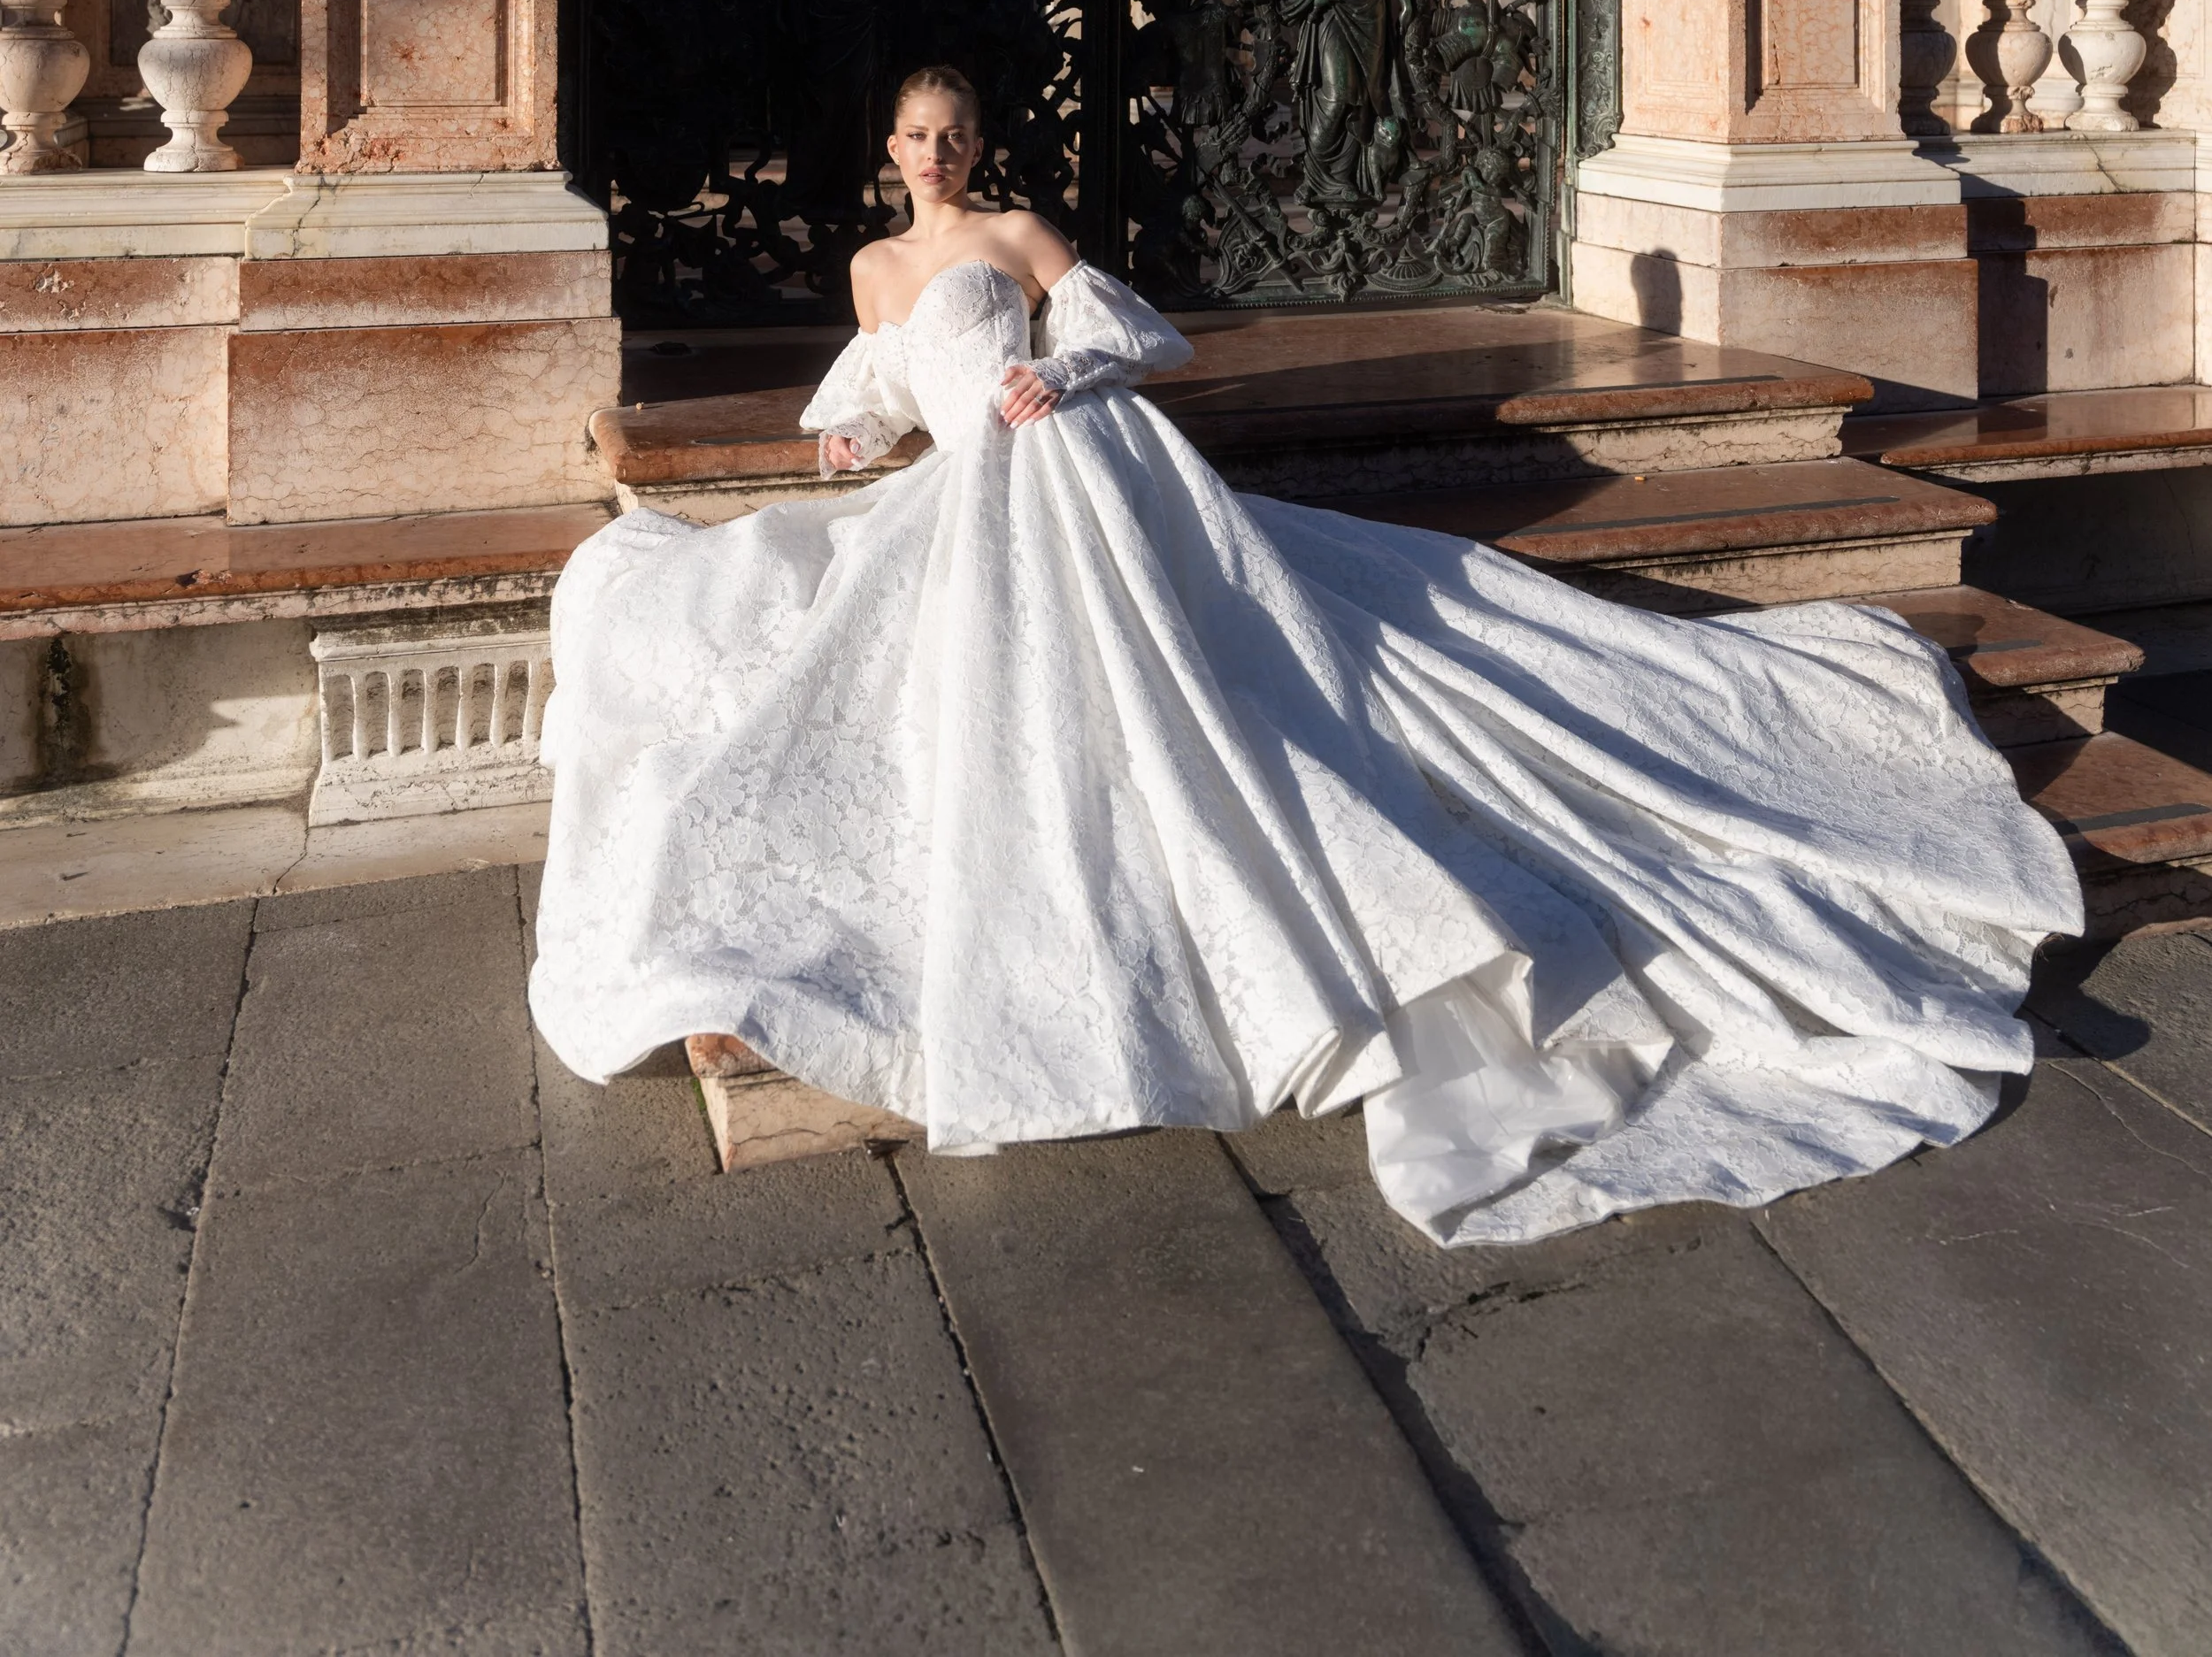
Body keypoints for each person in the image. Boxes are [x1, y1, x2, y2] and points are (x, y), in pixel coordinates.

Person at [530, 66, 2078, 1249]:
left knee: (1186, 675)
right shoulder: (873, 269)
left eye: (949, 131)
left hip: (1077, 457)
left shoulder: (1013, 233)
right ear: (888, 146)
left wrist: (1055, 369)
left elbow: (1148, 336)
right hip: (960, 496)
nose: (929, 152)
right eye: (911, 134)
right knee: (734, 622)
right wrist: (857, 435)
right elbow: (870, 398)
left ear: (978, 144)